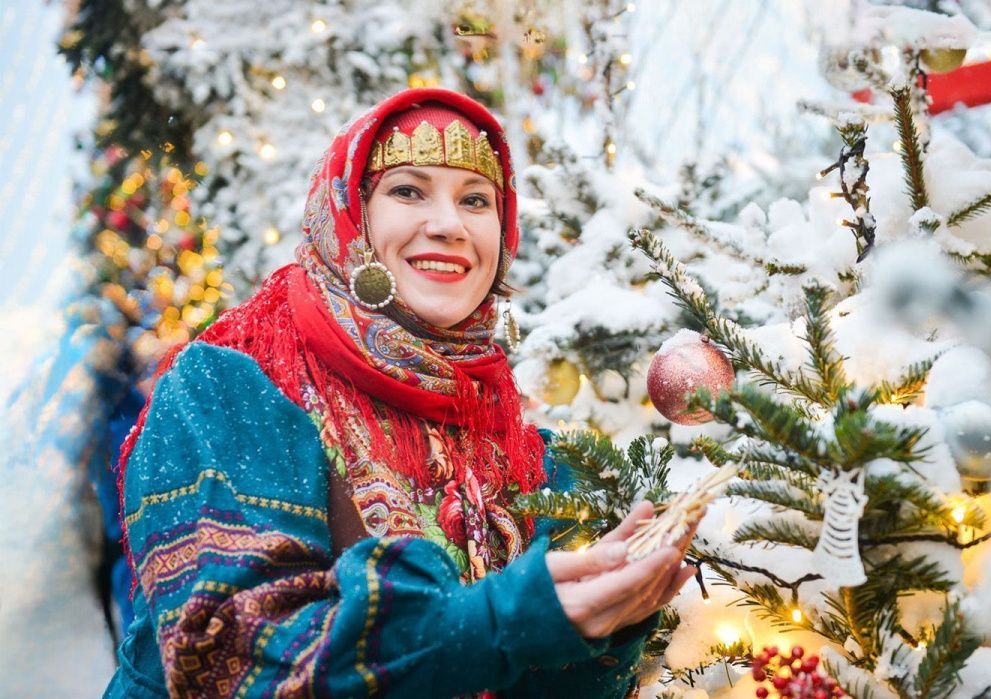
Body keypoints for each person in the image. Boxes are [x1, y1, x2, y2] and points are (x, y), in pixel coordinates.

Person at [104, 88, 699, 698]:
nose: (448, 225)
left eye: (475, 201)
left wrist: (608, 621)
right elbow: (226, 658)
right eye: (407, 191)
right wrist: (504, 622)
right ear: (348, 217)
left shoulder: (514, 446)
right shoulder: (232, 386)